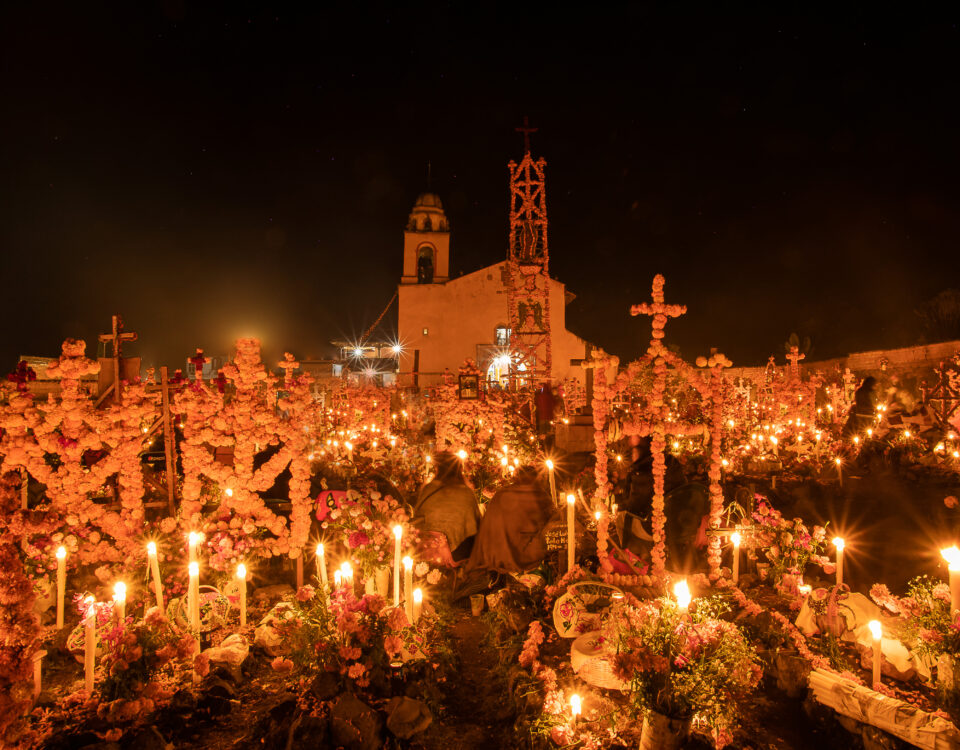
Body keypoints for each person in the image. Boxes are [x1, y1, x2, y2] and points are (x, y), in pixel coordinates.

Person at [461, 465, 554, 580]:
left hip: (493, 554)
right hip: (522, 555)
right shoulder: (538, 495)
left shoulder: (502, 493)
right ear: (536, 478)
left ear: (516, 478)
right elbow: (549, 523)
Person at [411, 452, 481, 562]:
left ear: (438, 469)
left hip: (428, 552)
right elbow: (475, 528)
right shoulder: (466, 493)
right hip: (458, 554)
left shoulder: (429, 489)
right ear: (459, 470)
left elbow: (418, 517)